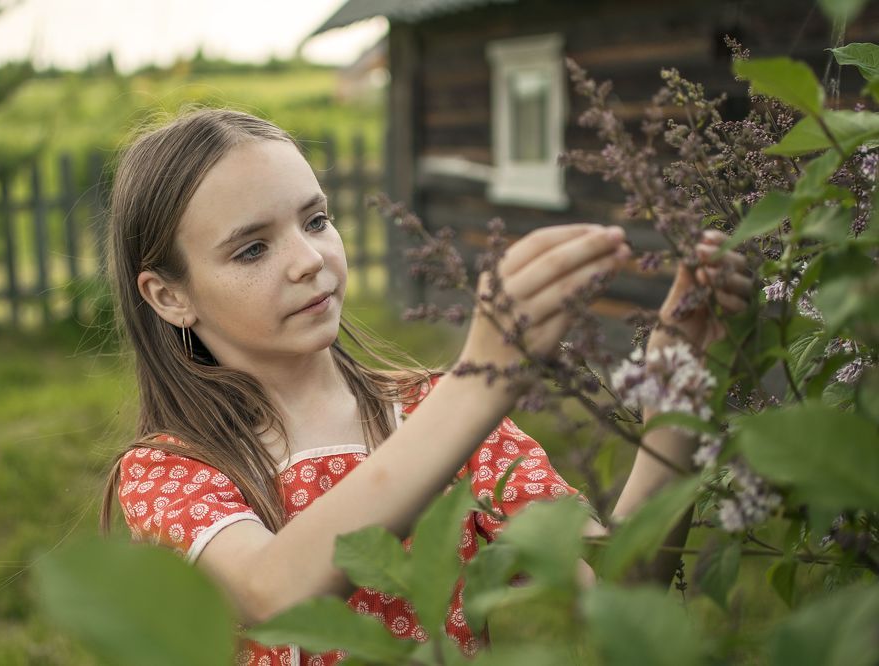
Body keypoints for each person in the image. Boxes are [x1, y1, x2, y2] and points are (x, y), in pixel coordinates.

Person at [99, 108, 751, 665]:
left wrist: (676, 396)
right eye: (252, 250)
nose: (309, 260)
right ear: (169, 295)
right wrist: (474, 388)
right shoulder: (171, 471)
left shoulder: (433, 415)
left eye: (316, 220)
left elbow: (617, 592)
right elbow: (274, 588)